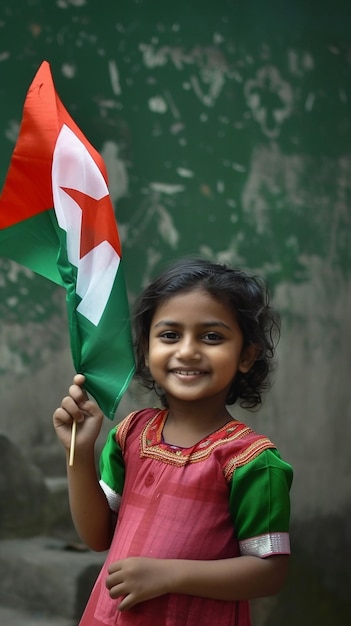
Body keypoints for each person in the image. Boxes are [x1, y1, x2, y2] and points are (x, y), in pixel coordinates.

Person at [53, 257, 293, 626]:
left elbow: (269, 573)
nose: (187, 351)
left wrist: (170, 575)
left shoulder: (251, 460)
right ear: (147, 352)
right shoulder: (130, 434)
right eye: (169, 335)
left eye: (212, 336)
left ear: (246, 355)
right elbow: (98, 536)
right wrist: (79, 453)